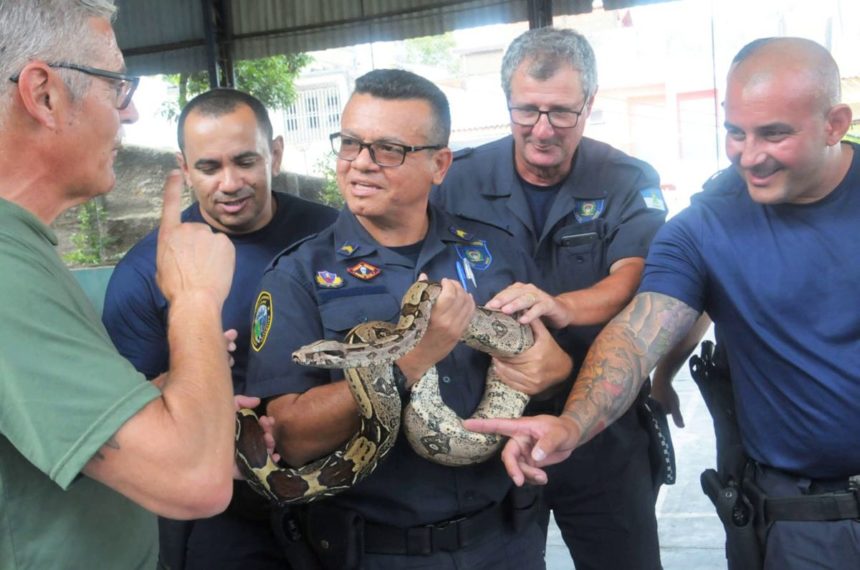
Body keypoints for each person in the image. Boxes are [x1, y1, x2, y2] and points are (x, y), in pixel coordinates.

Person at [466, 37, 860, 570]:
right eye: (734, 132)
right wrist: (573, 425)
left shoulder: (623, 179)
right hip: (805, 517)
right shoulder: (703, 228)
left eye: (774, 134)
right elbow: (637, 332)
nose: (750, 155)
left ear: (835, 123)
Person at [245, 68, 573, 569]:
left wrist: (552, 369)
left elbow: (547, 372)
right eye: (350, 143)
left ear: (439, 164)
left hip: (507, 540)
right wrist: (412, 359)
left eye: (389, 150)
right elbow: (289, 436)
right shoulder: (297, 275)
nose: (360, 164)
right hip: (377, 553)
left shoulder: (496, 252)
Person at [0, 1, 242, 568]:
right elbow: (195, 481)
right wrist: (195, 296)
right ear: (45, 94)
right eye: (118, 88)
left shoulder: (24, 249)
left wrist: (154, 404)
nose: (129, 116)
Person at [433, 27, 667, 569]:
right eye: (527, 111)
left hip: (598, 424)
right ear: (507, 103)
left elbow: (635, 274)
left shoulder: (627, 180)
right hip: (490, 433)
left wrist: (563, 306)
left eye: (562, 112)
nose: (542, 129)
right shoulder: (455, 181)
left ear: (589, 105)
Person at [102, 88, 338, 568]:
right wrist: (185, 371)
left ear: (275, 154)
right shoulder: (145, 270)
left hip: (342, 493)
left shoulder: (334, 235)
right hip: (220, 512)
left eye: (245, 161)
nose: (230, 183)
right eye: (209, 167)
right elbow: (118, 413)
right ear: (184, 168)